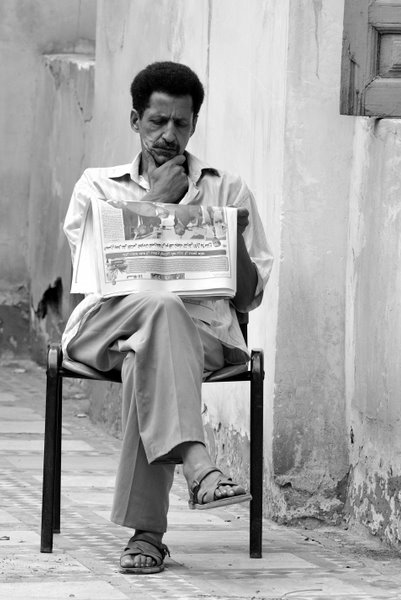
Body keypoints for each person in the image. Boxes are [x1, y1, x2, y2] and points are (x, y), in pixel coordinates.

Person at [61, 61, 273, 574]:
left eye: (180, 123)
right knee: (157, 309)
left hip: (199, 337)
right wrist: (157, 205)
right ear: (136, 120)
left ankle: (147, 537)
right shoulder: (97, 187)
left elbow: (246, 299)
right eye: (157, 122)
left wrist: (228, 238)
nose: (168, 135)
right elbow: (98, 278)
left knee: (149, 355)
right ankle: (198, 462)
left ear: (194, 124)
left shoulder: (227, 189)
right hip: (105, 326)